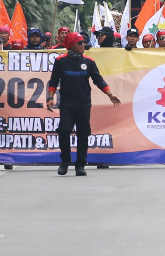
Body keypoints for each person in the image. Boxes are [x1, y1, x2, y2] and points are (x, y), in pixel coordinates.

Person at [47, 32, 121, 176]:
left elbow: (98, 80)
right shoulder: (60, 61)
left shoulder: (89, 61)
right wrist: (50, 97)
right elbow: (54, 81)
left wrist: (110, 94)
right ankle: (65, 160)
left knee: (83, 133)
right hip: (67, 104)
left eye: (83, 43)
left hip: (84, 103)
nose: (83, 45)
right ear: (71, 45)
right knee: (64, 131)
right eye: (80, 43)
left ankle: (80, 165)